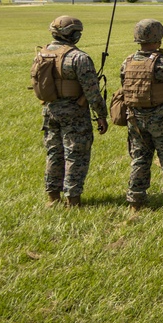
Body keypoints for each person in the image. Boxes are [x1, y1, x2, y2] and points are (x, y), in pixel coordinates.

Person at [33, 16, 108, 208]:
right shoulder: (79, 58)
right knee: (76, 154)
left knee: (54, 153)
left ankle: (52, 197)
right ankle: (72, 200)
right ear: (73, 34)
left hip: (50, 110)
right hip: (74, 113)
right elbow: (92, 92)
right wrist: (101, 115)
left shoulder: (42, 54)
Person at [121, 19, 163, 212]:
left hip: (135, 119)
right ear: (158, 38)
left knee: (140, 158)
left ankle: (136, 202)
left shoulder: (127, 62)